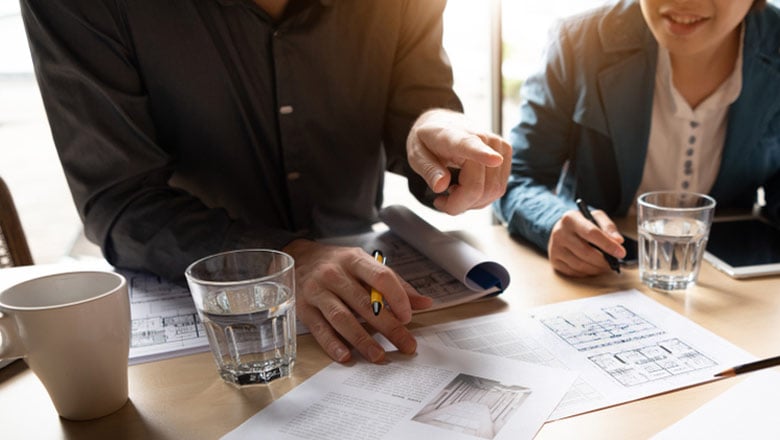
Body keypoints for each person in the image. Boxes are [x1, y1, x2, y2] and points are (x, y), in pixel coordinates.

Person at [21, 0, 511, 363]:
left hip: (375, 298)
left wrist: (437, 131)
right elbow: (119, 200)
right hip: (200, 324)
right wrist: (288, 258)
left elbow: (417, 100)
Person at [496, 0, 780, 277]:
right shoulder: (579, 41)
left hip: (735, 287)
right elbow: (516, 176)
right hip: (604, 278)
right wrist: (552, 220)